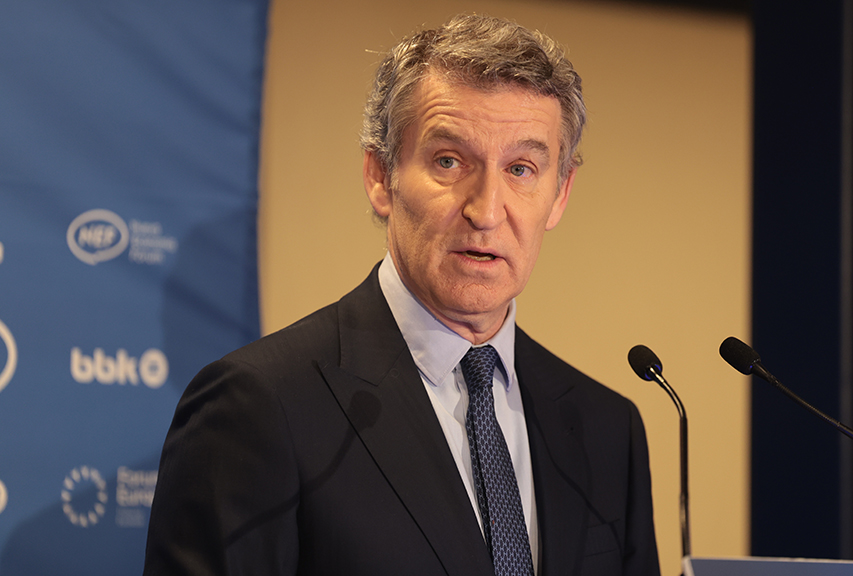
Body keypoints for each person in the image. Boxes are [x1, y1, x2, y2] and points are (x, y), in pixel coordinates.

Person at [143, 14, 659, 576]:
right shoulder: (261, 405)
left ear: (560, 194)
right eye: (449, 161)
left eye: (521, 168)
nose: (487, 211)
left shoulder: (609, 430)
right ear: (380, 175)